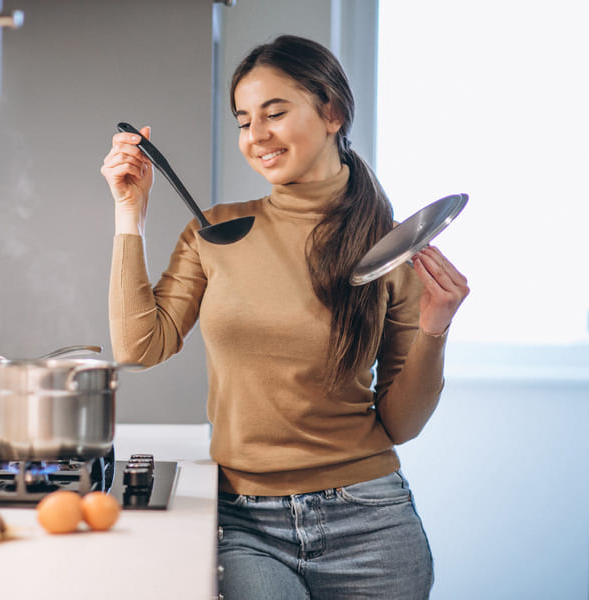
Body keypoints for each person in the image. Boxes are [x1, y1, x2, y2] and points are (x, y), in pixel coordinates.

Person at [100, 34, 468, 599]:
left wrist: (434, 330)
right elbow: (139, 346)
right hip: (246, 523)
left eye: (275, 113)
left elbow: (402, 424)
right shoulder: (214, 233)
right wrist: (131, 214)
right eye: (245, 120)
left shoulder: (388, 250)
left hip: (371, 521)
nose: (257, 136)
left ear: (332, 113)